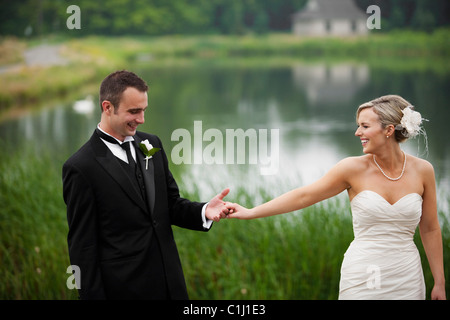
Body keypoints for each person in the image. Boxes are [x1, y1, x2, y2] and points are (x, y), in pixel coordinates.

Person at [226, 95, 446, 300]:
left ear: (388, 130)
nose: (357, 132)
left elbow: (430, 228)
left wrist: (439, 282)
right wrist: (251, 212)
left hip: (406, 275)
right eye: (359, 125)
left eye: (365, 126)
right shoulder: (351, 169)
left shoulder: (423, 170)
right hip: (362, 274)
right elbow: (304, 196)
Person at [62, 70, 230, 300]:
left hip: (171, 286)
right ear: (107, 107)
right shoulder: (81, 167)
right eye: (134, 111)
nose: (141, 119)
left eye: (143, 110)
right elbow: (83, 249)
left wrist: (203, 210)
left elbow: (169, 205)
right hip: (123, 291)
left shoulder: (151, 144)